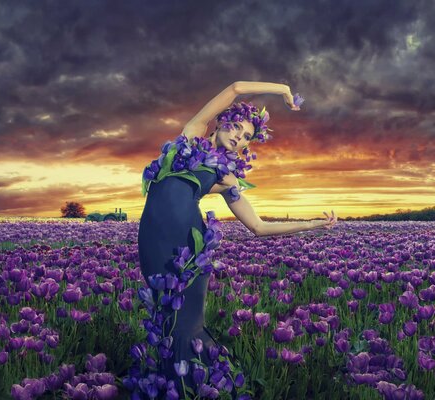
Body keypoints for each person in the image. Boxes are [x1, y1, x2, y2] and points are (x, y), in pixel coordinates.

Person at [124, 81, 338, 399]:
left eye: (247, 136)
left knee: (185, 325)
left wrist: (316, 224)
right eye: (236, 125)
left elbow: (259, 226)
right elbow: (236, 87)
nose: (238, 135)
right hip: (152, 236)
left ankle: (200, 389)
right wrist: (283, 90)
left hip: (189, 243)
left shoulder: (227, 178)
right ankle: (180, 386)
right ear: (224, 120)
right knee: (164, 315)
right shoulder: (192, 135)